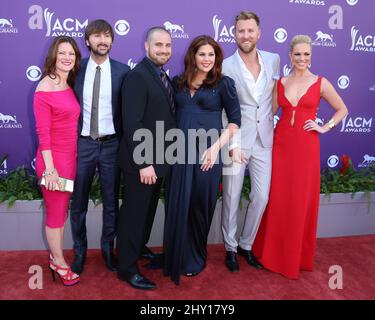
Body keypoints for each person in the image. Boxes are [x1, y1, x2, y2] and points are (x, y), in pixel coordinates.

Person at [252, 35, 349, 279]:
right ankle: (271, 254)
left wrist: (325, 127)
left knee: (299, 200)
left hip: (306, 147)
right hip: (281, 144)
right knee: (279, 198)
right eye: (297, 54)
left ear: (311, 56)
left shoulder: (321, 82)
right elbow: (269, 112)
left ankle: (295, 257)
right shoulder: (280, 82)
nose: (302, 59)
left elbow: (342, 109)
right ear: (290, 56)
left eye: (306, 54)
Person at [163, 35, 241, 285]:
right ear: (193, 57)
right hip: (179, 154)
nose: (207, 59)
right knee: (179, 204)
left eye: (211, 55)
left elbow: (235, 121)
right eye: (202, 54)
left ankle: (196, 256)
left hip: (208, 155)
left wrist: (215, 148)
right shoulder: (177, 82)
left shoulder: (224, 84)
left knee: (200, 204)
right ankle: (176, 253)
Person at [117, 27, 176, 290]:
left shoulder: (162, 75)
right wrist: (144, 163)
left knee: (148, 212)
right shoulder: (138, 77)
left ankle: (138, 249)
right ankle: (127, 269)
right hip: (141, 163)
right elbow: (132, 122)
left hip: (159, 161)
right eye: (158, 45)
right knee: (134, 215)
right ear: (146, 47)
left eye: (168, 45)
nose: (164, 50)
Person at [221, 11, 280, 272]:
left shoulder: (273, 60)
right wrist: (231, 145)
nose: (245, 35)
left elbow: (273, 97)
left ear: (259, 33)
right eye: (240, 31)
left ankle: (247, 244)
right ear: (234, 34)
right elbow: (223, 108)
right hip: (238, 140)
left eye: (250, 30)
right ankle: (230, 248)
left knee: (261, 197)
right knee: (232, 196)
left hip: (264, 139)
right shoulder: (225, 65)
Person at [70, 19, 129, 274]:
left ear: (112, 41)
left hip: (111, 145)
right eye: (97, 36)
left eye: (107, 36)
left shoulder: (122, 72)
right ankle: (80, 250)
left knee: (110, 202)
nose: (102, 40)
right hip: (83, 144)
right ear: (87, 40)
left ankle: (108, 248)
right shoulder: (74, 70)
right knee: (79, 201)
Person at [34, 36, 81, 286]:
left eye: (71, 54)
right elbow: (43, 134)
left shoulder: (66, 83)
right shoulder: (45, 87)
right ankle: (60, 263)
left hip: (68, 161)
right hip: (54, 164)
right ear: (54, 56)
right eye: (62, 53)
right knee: (55, 215)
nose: (67, 57)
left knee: (60, 212)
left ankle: (56, 257)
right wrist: (50, 170)